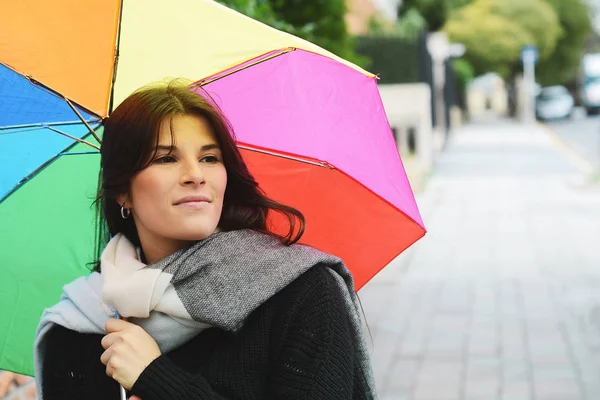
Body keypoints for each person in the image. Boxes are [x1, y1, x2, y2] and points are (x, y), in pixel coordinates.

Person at [33, 80, 376, 399]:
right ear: (123, 191)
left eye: (210, 158)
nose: (195, 175)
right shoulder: (81, 320)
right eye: (166, 158)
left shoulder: (299, 291)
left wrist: (157, 379)